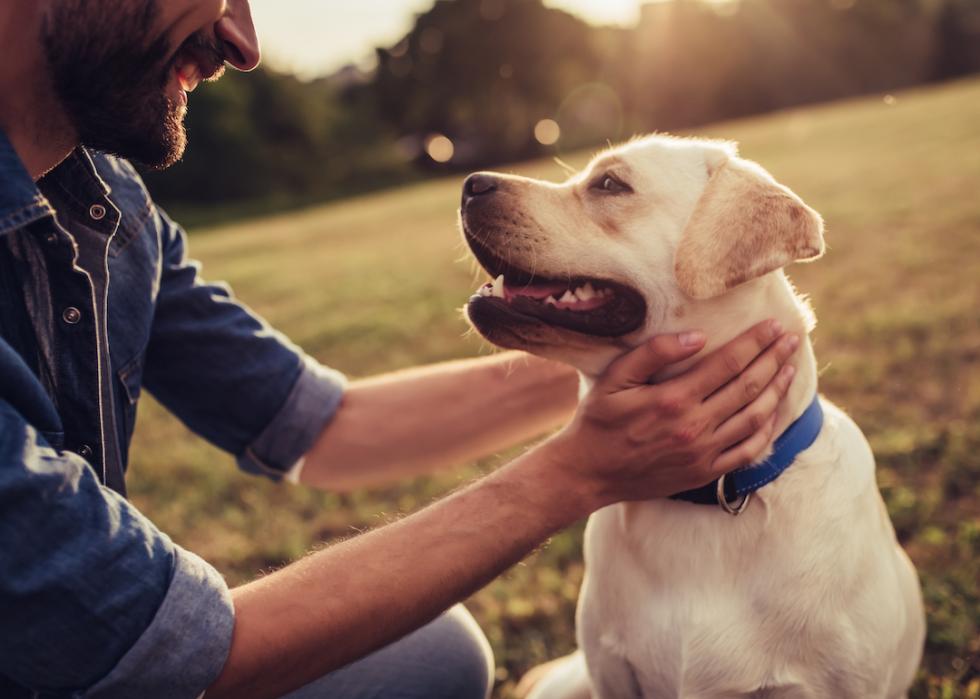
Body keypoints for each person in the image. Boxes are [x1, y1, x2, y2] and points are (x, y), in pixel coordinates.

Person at [0, 2, 800, 698]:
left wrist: (644, 354)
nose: (243, 39)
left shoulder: (107, 207)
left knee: (432, 656)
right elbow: (159, 652)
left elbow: (323, 424)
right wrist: (579, 469)